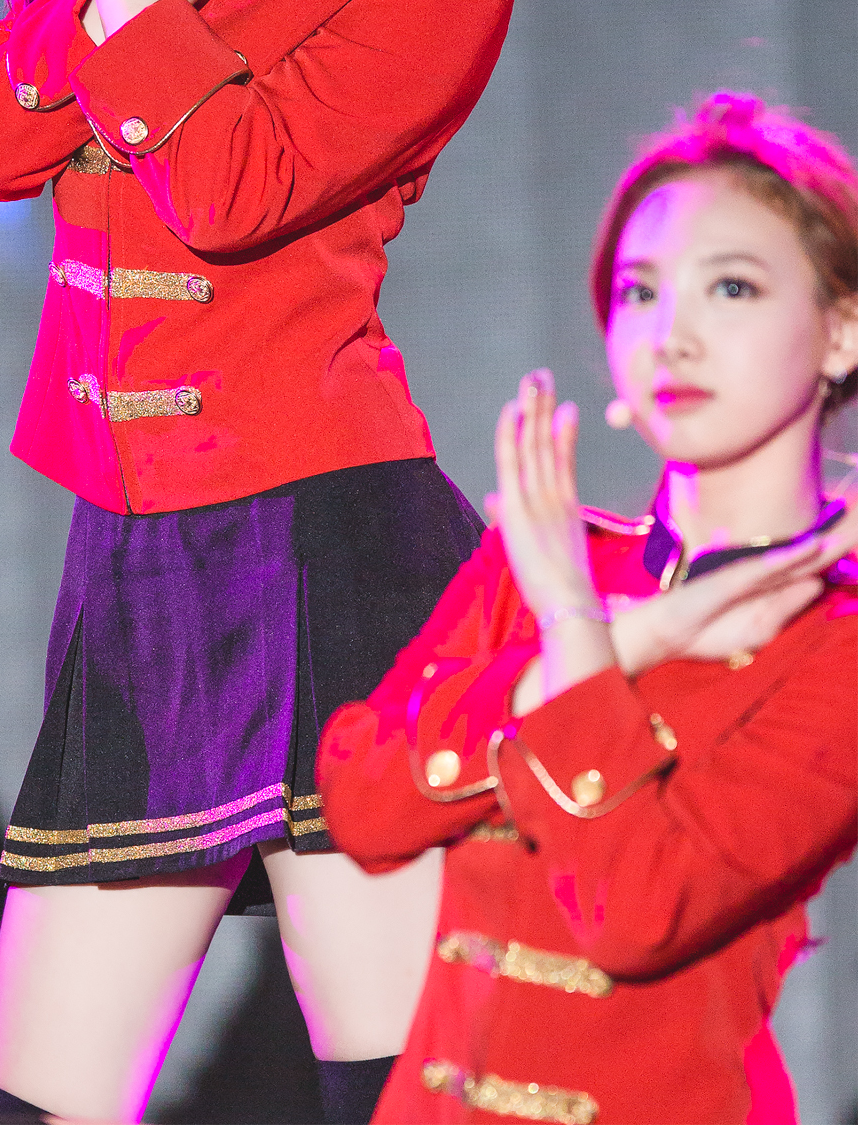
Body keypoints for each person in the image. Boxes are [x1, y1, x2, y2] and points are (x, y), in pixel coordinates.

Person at [0, 0, 517, 1123]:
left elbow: (239, 183)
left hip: (333, 551)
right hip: (137, 556)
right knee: (35, 1108)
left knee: (395, 1096)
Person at [318, 92, 858, 1125]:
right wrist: (628, 635)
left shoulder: (834, 643)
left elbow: (638, 914)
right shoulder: (552, 562)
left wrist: (575, 633)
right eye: (639, 292)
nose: (670, 337)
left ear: (841, 333)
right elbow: (364, 809)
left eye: (731, 287)